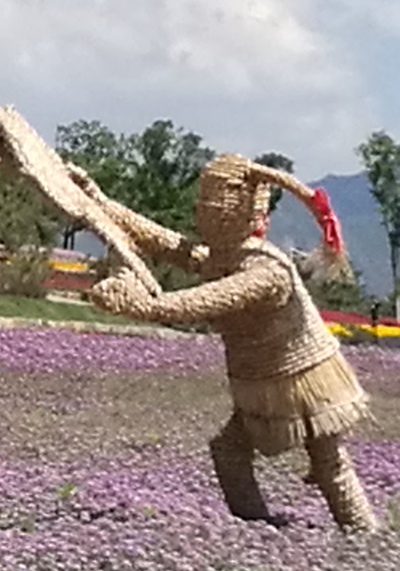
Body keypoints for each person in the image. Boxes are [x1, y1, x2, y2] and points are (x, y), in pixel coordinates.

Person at [80, 152, 382, 534]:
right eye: (202, 204)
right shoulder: (226, 256)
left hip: (300, 378)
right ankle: (255, 527)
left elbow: (203, 300)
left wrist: (141, 304)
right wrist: (98, 202)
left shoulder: (265, 270)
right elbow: (166, 243)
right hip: (259, 378)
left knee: (328, 461)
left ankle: (361, 532)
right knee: (231, 451)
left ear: (238, 211)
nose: (203, 213)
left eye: (212, 205)